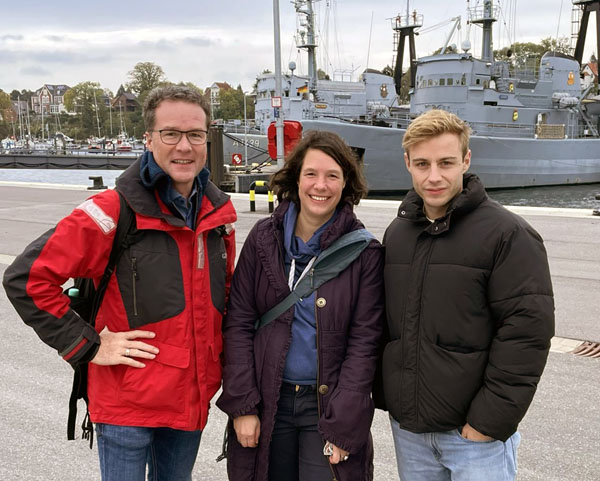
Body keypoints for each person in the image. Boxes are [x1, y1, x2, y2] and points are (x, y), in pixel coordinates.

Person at [2, 85, 237, 481]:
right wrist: (89, 345)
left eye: (195, 134)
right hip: (128, 402)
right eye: (171, 133)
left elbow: (225, 301)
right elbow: (26, 279)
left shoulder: (216, 218)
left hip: (190, 398)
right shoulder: (112, 210)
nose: (185, 146)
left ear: (207, 138)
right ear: (148, 139)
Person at [380, 109, 555, 481]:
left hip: (475, 437)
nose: (434, 176)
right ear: (407, 162)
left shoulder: (508, 235)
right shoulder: (398, 234)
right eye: (423, 164)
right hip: (411, 430)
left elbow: (526, 334)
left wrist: (487, 422)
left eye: (446, 162)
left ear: (466, 160)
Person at [216, 130, 384, 481]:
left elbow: (364, 343)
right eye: (311, 174)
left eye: (332, 176)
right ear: (296, 178)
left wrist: (344, 425)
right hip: (267, 397)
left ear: (345, 184)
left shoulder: (364, 253)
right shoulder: (264, 239)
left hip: (325, 406)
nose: (320, 186)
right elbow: (239, 323)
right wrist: (243, 406)